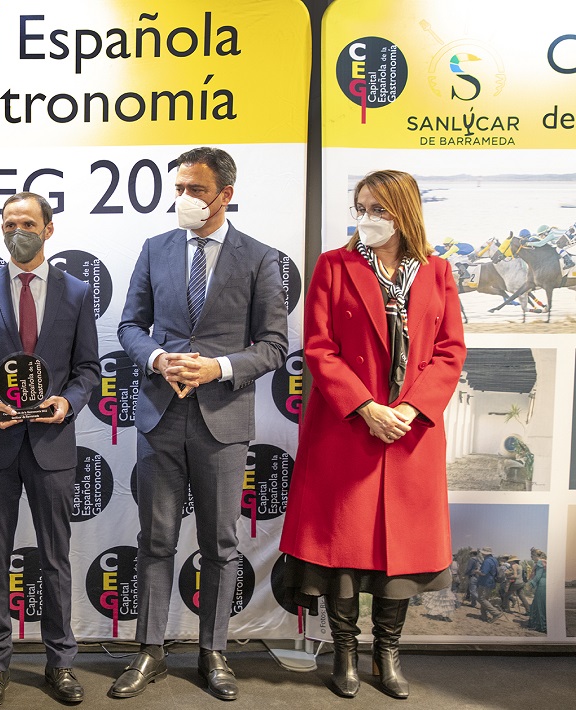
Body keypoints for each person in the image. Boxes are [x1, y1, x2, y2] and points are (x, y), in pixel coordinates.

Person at [279, 170, 466, 699]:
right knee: (342, 547)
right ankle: (345, 653)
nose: (368, 218)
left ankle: (388, 653)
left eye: (379, 209)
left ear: (404, 213)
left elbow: (450, 351)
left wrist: (410, 408)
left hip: (411, 434)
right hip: (348, 429)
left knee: (400, 553)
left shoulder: (438, 272)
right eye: (361, 207)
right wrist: (365, 407)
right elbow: (319, 347)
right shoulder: (334, 266)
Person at [112, 147, 288, 701]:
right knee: (156, 539)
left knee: (219, 543)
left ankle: (214, 652)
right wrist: (160, 359)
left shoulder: (259, 258)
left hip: (222, 420)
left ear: (224, 195)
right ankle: (150, 652)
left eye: (195, 190)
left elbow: (276, 346)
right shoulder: (155, 248)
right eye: (179, 189)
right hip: (160, 416)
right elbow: (130, 325)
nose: (184, 199)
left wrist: (219, 367)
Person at [0, 192, 100, 708]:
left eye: (28, 223)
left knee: (56, 558)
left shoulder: (77, 293)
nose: (19, 231)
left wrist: (69, 401)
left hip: (52, 445)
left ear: (49, 229)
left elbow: (88, 370)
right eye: (10, 223)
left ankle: (61, 663)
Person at [476, 547, 503, 623]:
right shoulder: (494, 560)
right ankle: (484, 616)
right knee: (485, 599)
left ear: (484, 553)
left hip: (485, 582)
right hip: (491, 582)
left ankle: (496, 613)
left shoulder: (487, 561)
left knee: (481, 599)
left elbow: (483, 573)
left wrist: (477, 571)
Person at [526, 548, 547, 632]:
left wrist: (530, 585)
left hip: (541, 584)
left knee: (539, 606)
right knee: (540, 604)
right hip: (546, 584)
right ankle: (538, 624)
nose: (531, 558)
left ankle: (541, 627)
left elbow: (538, 576)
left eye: (532, 556)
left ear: (535, 555)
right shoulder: (546, 561)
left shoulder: (539, 562)